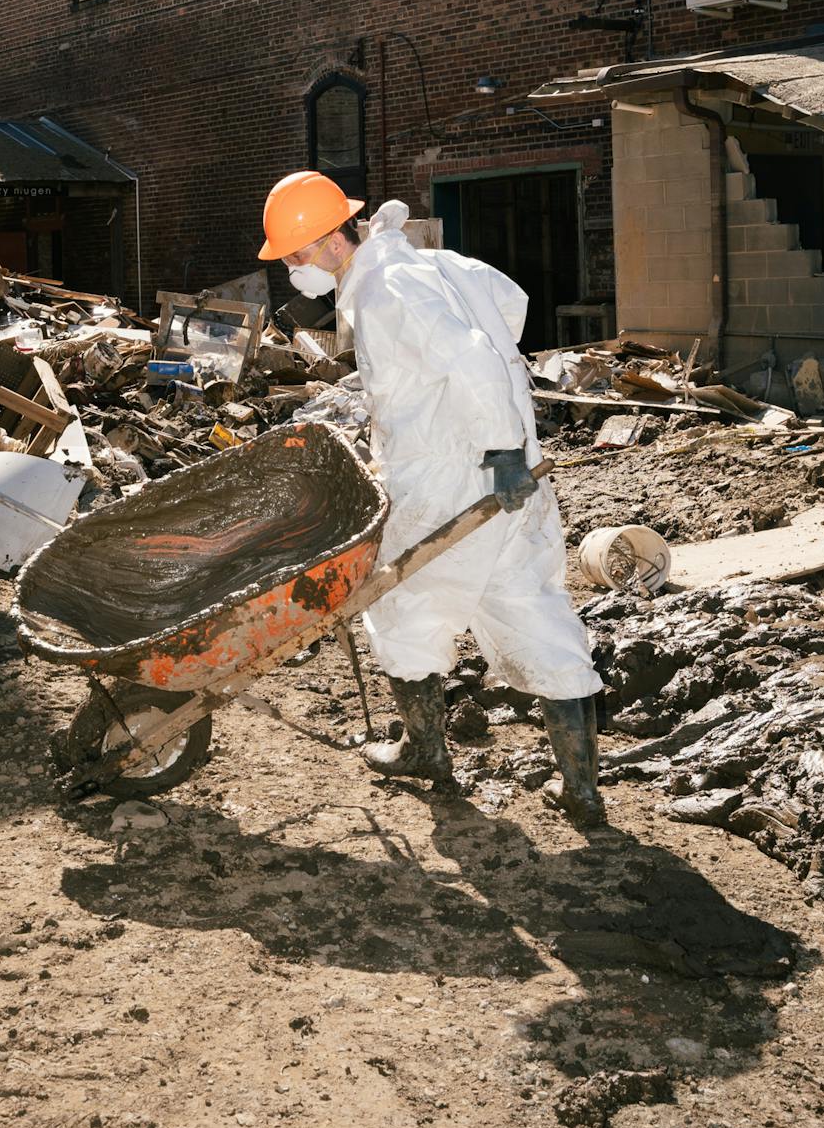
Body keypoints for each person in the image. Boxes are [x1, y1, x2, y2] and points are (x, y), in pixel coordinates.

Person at [259, 170, 605, 826]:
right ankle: (581, 787)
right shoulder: (430, 266)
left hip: (462, 476)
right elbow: (511, 306)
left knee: (399, 609)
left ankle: (425, 750)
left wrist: (495, 454)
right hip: (510, 470)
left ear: (332, 241)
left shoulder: (389, 289)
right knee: (534, 613)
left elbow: (471, 364)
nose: (293, 272)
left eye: (295, 257)